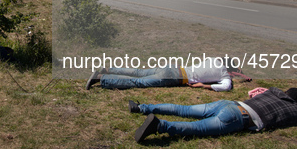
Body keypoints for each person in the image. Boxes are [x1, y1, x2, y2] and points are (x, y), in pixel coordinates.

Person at [131, 87, 297, 142]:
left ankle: (142, 108)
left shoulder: (275, 91)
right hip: (240, 118)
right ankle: (160, 126)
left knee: (185, 109)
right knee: (199, 128)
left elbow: (259, 90)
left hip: (230, 103)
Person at [85, 57, 232, 92]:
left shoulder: (214, 60)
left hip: (175, 68)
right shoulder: (225, 75)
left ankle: (109, 70)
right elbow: (226, 87)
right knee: (139, 82)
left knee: (139, 72)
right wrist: (204, 85)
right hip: (176, 78)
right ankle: (101, 79)